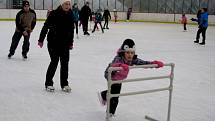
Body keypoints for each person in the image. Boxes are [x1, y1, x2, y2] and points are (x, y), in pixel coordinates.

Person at [98, 39, 164, 117]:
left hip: (119, 78)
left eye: (132, 53)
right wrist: (120, 65)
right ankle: (110, 113)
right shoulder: (119, 58)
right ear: (123, 52)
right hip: (111, 76)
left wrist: (153, 64)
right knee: (115, 96)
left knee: (114, 93)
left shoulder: (132, 59)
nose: (130, 55)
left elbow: (142, 63)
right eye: (127, 52)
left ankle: (103, 95)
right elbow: (113, 64)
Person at [38, 0, 74, 92]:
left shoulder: (70, 14)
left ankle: (64, 84)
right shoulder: (54, 14)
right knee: (54, 61)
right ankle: (48, 83)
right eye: (66, 4)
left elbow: (71, 30)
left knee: (65, 63)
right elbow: (45, 26)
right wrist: (41, 39)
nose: (67, 5)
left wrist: (71, 42)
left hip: (65, 43)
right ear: (61, 4)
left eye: (69, 4)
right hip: (53, 43)